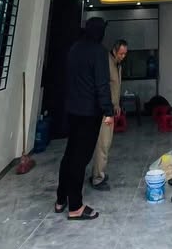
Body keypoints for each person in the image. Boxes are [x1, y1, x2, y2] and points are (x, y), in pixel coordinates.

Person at [55, 17, 114, 221]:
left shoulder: (74, 49)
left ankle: (61, 199)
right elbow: (102, 84)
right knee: (80, 160)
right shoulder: (98, 52)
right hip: (89, 114)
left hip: (72, 111)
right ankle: (75, 207)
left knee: (70, 155)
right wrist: (108, 111)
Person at [90, 39, 129, 190]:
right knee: (103, 144)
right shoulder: (106, 63)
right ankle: (97, 179)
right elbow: (102, 87)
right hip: (105, 111)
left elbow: (115, 87)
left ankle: (98, 172)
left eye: (125, 54)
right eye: (121, 53)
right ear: (114, 50)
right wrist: (108, 109)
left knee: (105, 144)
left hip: (111, 109)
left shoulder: (118, 65)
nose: (123, 56)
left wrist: (117, 104)